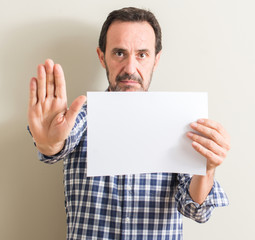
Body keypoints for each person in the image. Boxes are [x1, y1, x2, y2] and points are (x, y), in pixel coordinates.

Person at [28, 7, 230, 240]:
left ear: (156, 59)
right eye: (119, 53)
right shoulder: (80, 117)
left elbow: (196, 210)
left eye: (142, 54)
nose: (130, 68)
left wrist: (207, 168)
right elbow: (57, 143)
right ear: (102, 56)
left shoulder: (180, 124)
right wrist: (48, 143)